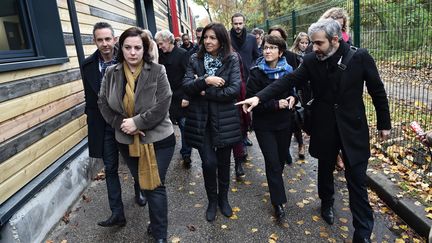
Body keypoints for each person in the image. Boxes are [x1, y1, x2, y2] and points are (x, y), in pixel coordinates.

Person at [237, 19, 391, 243]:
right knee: (325, 170)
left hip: (353, 130)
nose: (314, 47)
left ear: (335, 40)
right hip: (325, 127)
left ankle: (363, 234)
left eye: (319, 43)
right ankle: (326, 202)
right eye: (312, 43)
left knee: (357, 182)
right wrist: (259, 97)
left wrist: (384, 123)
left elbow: (377, 90)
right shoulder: (311, 60)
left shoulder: (360, 57)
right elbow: (288, 80)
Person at [98, 27, 175, 243]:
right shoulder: (111, 73)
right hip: (127, 141)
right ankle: (155, 221)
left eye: (137, 48)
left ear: (145, 49)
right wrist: (122, 124)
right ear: (120, 48)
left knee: (154, 186)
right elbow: (102, 103)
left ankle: (160, 234)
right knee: (143, 183)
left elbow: (163, 103)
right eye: (128, 47)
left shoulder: (157, 71)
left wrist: (138, 122)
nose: (133, 52)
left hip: (159, 140)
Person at [81, 22, 146, 228]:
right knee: (110, 168)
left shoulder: (128, 56)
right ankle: (117, 212)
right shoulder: (88, 65)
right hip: (103, 124)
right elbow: (90, 97)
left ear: (114, 39)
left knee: (135, 161)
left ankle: (139, 190)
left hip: (128, 121)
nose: (104, 44)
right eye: (100, 40)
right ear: (95, 41)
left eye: (108, 39)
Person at [182, 22, 242, 222]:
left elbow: (233, 90)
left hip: (225, 119)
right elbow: (187, 86)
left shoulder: (232, 59)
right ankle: (212, 201)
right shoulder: (194, 59)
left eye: (212, 38)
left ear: (221, 39)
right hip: (201, 121)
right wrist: (206, 80)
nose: (207, 41)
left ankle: (224, 199)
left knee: (224, 163)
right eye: (205, 37)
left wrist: (204, 92)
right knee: (208, 163)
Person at [246, 35, 296, 220]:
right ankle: (278, 203)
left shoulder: (289, 70)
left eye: (272, 48)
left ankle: (276, 185)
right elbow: (252, 100)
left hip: (284, 123)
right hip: (264, 124)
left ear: (280, 52)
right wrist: (276, 105)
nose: (267, 51)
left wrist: (294, 98)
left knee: (280, 160)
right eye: (266, 47)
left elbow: (295, 91)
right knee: (273, 161)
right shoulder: (256, 72)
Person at [155, 29, 192, 168]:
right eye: (158, 44)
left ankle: (186, 154)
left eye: (161, 44)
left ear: (169, 41)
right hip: (165, 98)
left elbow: (189, 75)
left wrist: (186, 96)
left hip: (180, 96)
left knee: (184, 126)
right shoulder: (160, 55)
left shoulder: (182, 54)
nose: (160, 47)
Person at [290, 32, 310, 159]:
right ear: (297, 43)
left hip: (307, 88)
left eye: (306, 43)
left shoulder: (311, 54)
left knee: (307, 114)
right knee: (296, 116)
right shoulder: (292, 55)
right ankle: (301, 144)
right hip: (296, 88)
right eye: (302, 43)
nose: (304, 45)